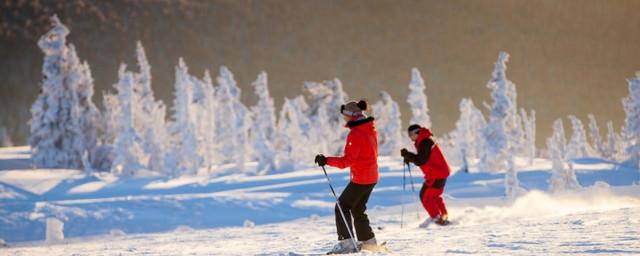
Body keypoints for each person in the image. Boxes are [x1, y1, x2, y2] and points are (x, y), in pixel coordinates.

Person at [314, 100, 380, 254]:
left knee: (341, 206)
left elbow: (346, 161)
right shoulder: (369, 129)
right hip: (371, 176)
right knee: (358, 208)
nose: (343, 118)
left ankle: (347, 244)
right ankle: (368, 242)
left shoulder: (356, 133)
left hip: (362, 178)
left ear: (351, 115)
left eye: (344, 115)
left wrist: (326, 160)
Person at [401, 124, 451, 226]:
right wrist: (409, 157)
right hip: (439, 173)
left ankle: (438, 219)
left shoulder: (425, 142)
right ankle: (443, 216)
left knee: (425, 197)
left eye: (411, 134)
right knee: (434, 196)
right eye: (408, 135)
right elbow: (423, 158)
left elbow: (421, 160)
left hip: (436, 174)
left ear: (417, 132)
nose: (410, 137)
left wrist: (408, 155)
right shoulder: (424, 140)